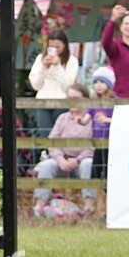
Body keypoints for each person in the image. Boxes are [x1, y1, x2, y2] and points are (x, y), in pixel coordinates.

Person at [32, 83, 97, 217]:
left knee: (89, 164)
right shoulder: (63, 118)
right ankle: (39, 207)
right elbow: (53, 142)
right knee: (46, 165)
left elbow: (93, 145)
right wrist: (60, 159)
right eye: (69, 97)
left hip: (82, 161)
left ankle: (88, 207)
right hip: (62, 160)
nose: (72, 101)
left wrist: (77, 160)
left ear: (85, 99)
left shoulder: (91, 119)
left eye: (76, 97)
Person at [28, 29, 78, 135]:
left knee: (60, 135)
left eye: (57, 47)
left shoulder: (72, 61)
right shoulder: (40, 58)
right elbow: (35, 85)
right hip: (43, 102)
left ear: (65, 45)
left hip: (62, 103)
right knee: (45, 135)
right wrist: (43, 66)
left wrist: (57, 66)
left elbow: (68, 87)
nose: (54, 50)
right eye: (51, 47)